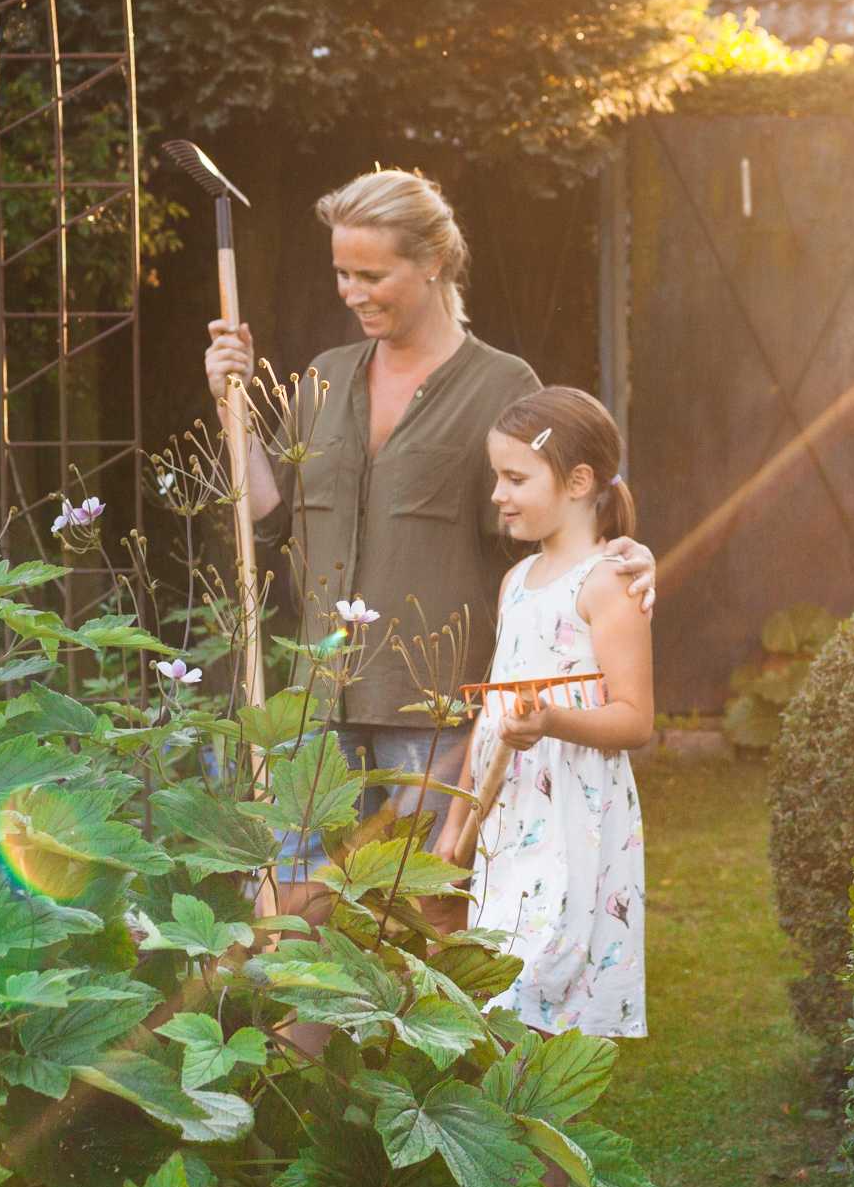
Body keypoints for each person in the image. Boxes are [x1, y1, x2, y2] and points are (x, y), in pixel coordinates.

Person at [201, 169, 653, 888]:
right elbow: (269, 519)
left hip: (434, 715)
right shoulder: (324, 376)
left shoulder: (502, 386)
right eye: (342, 273)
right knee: (293, 907)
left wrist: (625, 553)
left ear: (434, 261)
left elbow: (568, 504)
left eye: (371, 275)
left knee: (417, 913)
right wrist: (233, 405)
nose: (351, 292)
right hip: (316, 703)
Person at [439, 387, 652, 1045]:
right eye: (496, 477)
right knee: (499, 981)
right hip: (510, 812)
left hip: (572, 818)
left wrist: (553, 722)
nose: (497, 495)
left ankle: (547, 1099)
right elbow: (494, 711)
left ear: (578, 482)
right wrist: (457, 819)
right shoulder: (518, 580)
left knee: (547, 979)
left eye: (515, 478)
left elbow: (636, 719)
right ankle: (514, 1098)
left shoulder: (608, 582)